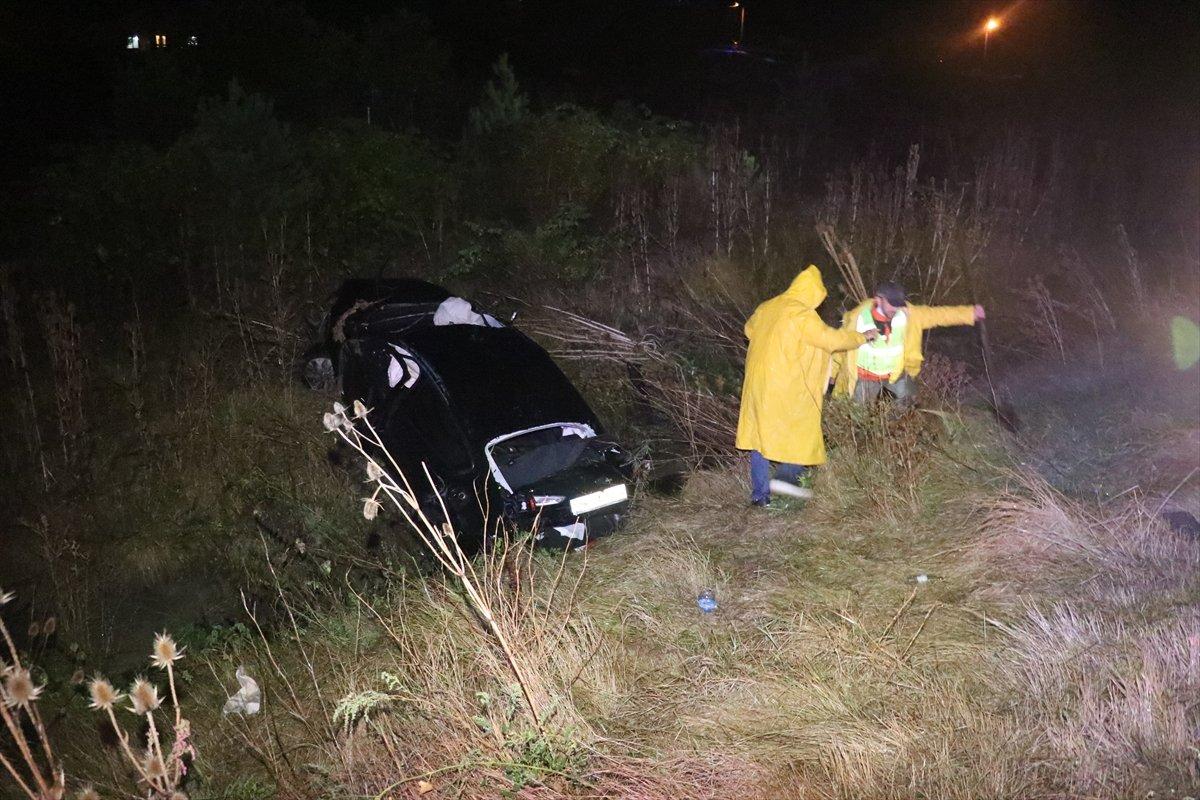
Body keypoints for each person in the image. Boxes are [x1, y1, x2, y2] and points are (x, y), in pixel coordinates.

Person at [736, 265, 876, 507]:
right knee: (801, 427)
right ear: (813, 293)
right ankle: (786, 478)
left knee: (759, 435)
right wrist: (863, 337)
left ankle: (760, 495)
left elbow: (748, 329)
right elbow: (832, 340)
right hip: (784, 386)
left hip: (757, 385)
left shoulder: (767, 307)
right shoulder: (802, 315)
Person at [834, 281, 985, 406]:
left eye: (898, 304)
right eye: (892, 304)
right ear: (878, 299)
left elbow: (939, 315)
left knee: (908, 404)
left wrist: (970, 313)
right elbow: (841, 344)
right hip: (864, 375)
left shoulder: (909, 314)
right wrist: (834, 371)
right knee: (856, 415)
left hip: (896, 373)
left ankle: (895, 433)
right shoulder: (858, 316)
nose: (897, 308)